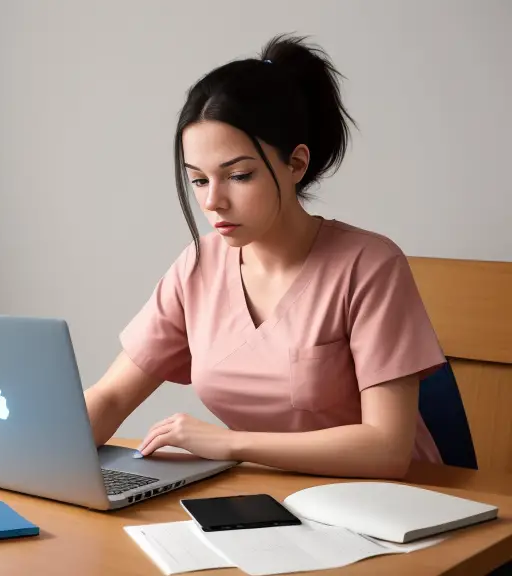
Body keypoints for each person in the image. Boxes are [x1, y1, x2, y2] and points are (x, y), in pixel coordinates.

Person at [84, 34, 445, 480]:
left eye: (238, 175)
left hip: (397, 509)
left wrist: (230, 444)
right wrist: (22, 448)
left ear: (295, 164)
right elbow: (111, 397)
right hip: (272, 503)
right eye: (198, 180)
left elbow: (386, 449)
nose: (213, 201)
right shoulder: (198, 267)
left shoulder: (370, 265)